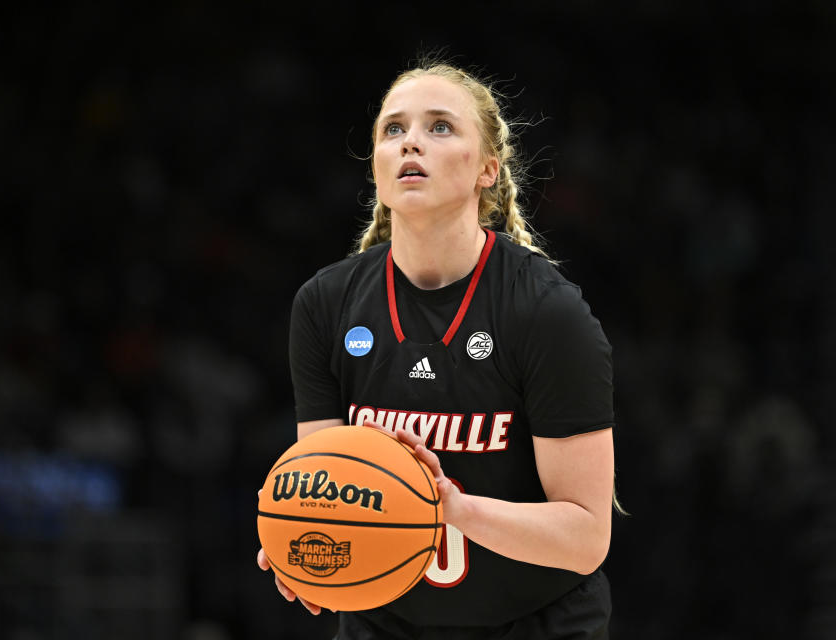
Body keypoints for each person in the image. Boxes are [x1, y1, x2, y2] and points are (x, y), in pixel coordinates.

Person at [257, 60, 619, 639]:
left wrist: (452, 509)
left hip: (535, 625)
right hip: (384, 625)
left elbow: (585, 539)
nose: (411, 143)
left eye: (440, 127)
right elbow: (326, 484)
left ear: (487, 170)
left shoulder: (545, 311)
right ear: (374, 166)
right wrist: (299, 539)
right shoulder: (325, 304)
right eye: (393, 129)